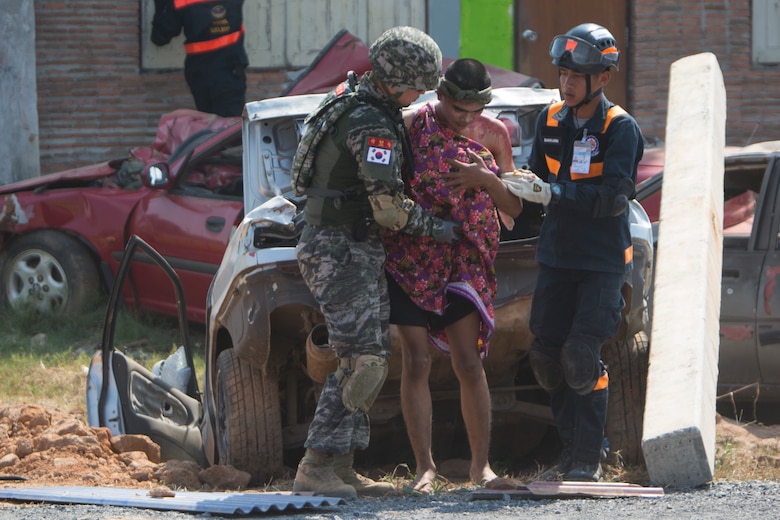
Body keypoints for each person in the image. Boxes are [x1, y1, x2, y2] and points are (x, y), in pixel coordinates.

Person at [292, 26, 461, 499]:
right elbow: (389, 209)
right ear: (395, 79)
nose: (422, 94)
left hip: (346, 246)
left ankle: (341, 466)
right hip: (339, 249)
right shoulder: (372, 124)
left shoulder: (354, 99)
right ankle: (317, 464)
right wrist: (439, 228)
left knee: (362, 359)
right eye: (419, 84)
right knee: (363, 363)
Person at [499, 23, 644, 482]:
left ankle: (589, 458)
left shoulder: (620, 128)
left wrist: (554, 194)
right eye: (562, 74)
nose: (565, 83)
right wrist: (519, 188)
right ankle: (569, 454)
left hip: (600, 262)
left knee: (582, 357)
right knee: (546, 357)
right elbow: (540, 181)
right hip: (557, 258)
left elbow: (614, 198)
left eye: (575, 76)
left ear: (602, 78)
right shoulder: (551, 119)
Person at [383, 58, 523, 495]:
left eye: (473, 112)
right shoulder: (408, 125)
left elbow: (515, 207)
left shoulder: (493, 134)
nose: (465, 120)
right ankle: (425, 467)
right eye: (458, 110)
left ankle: (481, 467)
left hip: (465, 256)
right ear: (440, 95)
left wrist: (486, 179)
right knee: (417, 360)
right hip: (410, 256)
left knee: (468, 360)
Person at [151, 0, 248, 117]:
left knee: (213, 127)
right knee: (230, 127)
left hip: (201, 73)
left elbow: (160, 37)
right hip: (229, 71)